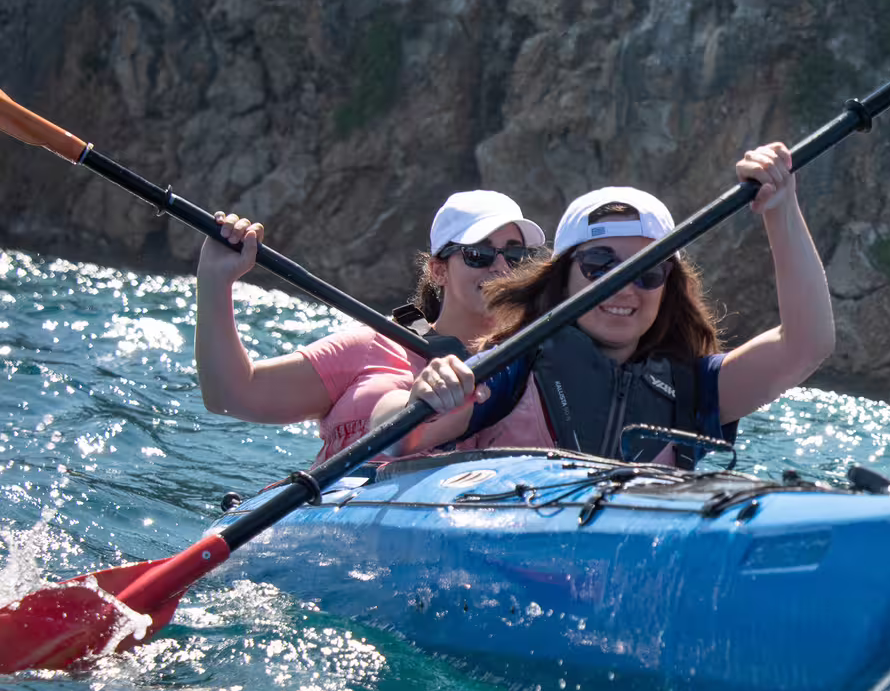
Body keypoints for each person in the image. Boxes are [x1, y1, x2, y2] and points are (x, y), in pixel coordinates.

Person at [375, 142, 833, 464]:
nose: (623, 287)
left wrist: (781, 206)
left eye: (646, 271)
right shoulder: (514, 369)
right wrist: (423, 395)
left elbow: (806, 346)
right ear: (565, 278)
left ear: (667, 287)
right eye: (599, 264)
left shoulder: (696, 389)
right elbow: (394, 439)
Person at [193, 190, 545, 459]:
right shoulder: (373, 347)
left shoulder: (545, 363)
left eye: (514, 255)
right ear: (438, 270)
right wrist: (214, 280)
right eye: (478, 254)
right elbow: (233, 395)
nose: (501, 268)